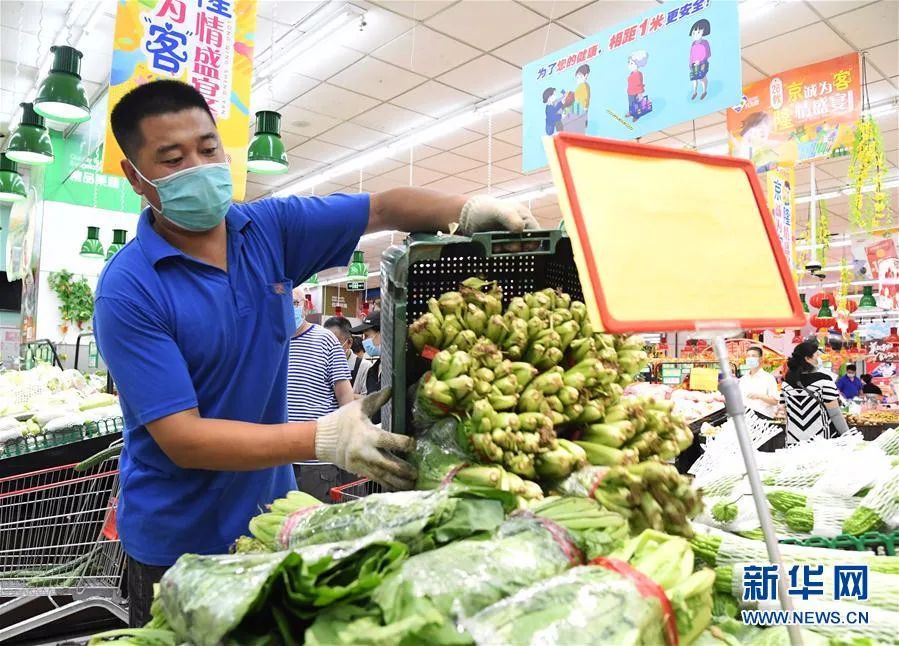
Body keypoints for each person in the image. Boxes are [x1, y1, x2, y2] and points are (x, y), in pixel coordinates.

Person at [93, 79, 538, 626]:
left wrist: (468, 210)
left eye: (208, 148)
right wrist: (323, 437)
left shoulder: (266, 230)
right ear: (137, 178)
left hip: (271, 513)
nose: (199, 166)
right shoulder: (130, 289)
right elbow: (183, 438)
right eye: (172, 158)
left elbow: (383, 207)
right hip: (176, 537)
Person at [287, 289, 354, 422]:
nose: (287, 309)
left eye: (294, 303)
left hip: (318, 437)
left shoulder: (326, 339)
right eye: (281, 304)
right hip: (277, 436)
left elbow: (344, 394)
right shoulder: (270, 342)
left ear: (305, 306)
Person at [780, 340, 850, 445]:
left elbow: (786, 413)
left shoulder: (786, 383)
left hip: (793, 441)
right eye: (817, 354)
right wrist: (848, 436)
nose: (819, 358)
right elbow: (835, 414)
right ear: (807, 359)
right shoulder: (823, 380)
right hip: (820, 441)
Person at [324, 315, 371, 395]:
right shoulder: (320, 365)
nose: (328, 346)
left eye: (334, 342)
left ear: (349, 342)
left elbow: (368, 401)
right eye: (325, 342)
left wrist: (343, 395)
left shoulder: (364, 367)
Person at [350, 311, 382, 409]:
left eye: (367, 336)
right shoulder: (373, 370)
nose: (364, 341)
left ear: (382, 333)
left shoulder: (399, 369)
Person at [738, 346, 778, 420]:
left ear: (760, 359)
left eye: (753, 356)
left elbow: (775, 401)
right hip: (746, 418)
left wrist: (759, 396)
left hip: (764, 419)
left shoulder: (768, 378)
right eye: (748, 356)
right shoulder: (743, 379)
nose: (750, 358)